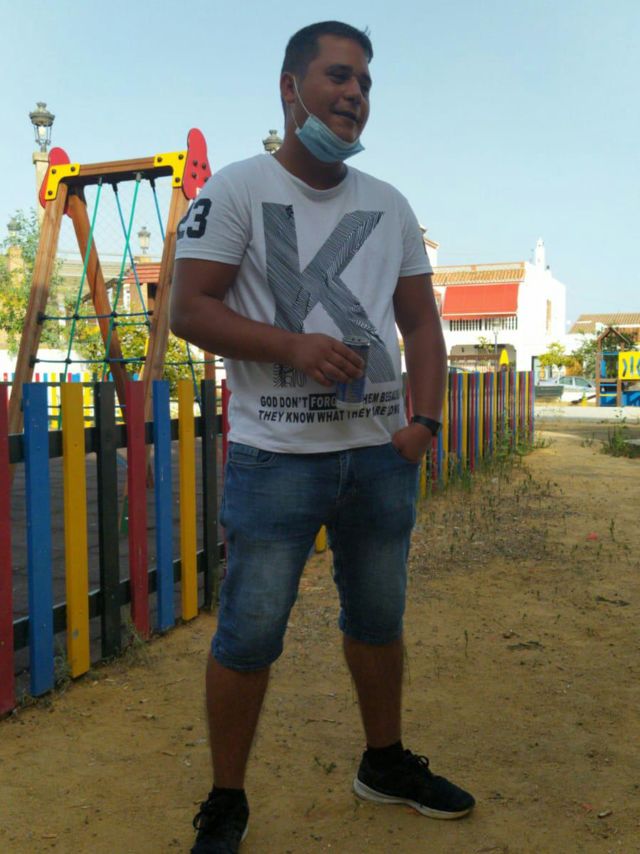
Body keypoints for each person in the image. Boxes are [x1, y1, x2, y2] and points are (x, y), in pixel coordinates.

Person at [170, 20, 475, 852]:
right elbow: (187, 309)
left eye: (364, 83)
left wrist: (423, 424)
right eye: (338, 76)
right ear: (291, 87)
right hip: (275, 457)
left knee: (378, 621)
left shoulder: (388, 204)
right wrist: (293, 347)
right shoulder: (237, 190)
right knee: (248, 635)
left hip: (378, 458)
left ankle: (384, 762)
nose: (354, 95)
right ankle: (226, 800)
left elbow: (423, 325)